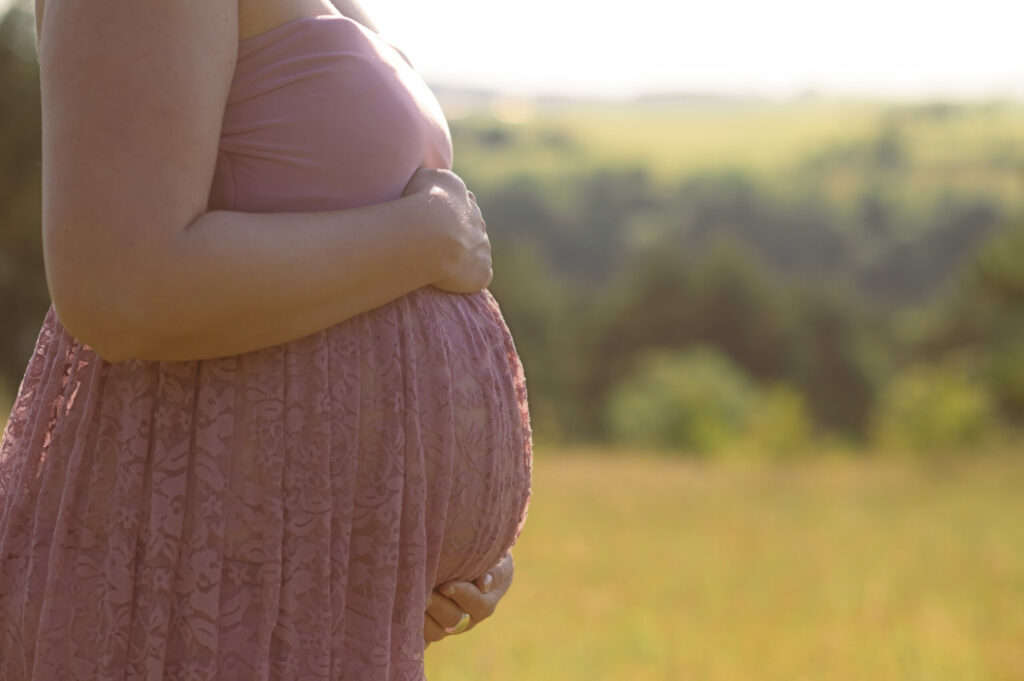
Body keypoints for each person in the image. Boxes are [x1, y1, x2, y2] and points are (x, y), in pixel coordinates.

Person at [0, 0, 533, 678]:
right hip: (180, 594)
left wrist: (428, 540)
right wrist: (429, 238)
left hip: (301, 598)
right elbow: (117, 285)